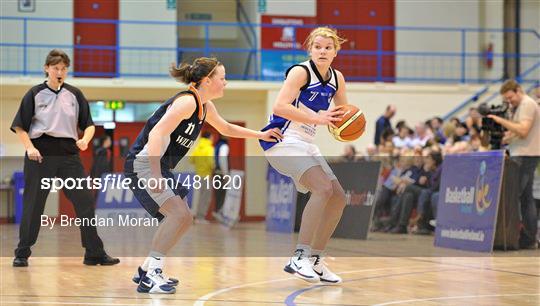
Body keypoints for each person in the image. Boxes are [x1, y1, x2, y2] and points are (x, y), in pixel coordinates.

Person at [125, 57, 282, 294]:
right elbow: (156, 133)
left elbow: (227, 128)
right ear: (207, 80)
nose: (226, 83)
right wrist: (156, 174)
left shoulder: (204, 106)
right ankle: (151, 276)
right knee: (178, 215)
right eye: (222, 78)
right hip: (145, 163)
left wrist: (261, 135)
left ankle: (147, 269)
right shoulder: (187, 102)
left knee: (185, 218)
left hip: (158, 166)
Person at [10, 49, 119, 267]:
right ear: (46, 69)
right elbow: (20, 126)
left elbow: (88, 125)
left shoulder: (75, 95)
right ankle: (22, 253)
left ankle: (94, 253)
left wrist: (85, 140)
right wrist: (30, 148)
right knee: (34, 205)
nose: (59, 72)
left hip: (69, 154)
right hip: (40, 153)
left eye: (63, 68)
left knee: (85, 202)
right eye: (55, 68)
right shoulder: (34, 93)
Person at [260, 27, 349, 284]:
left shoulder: (337, 78)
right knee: (322, 188)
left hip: (306, 142)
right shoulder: (301, 71)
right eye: (317, 46)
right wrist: (317, 118)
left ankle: (316, 260)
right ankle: (299, 256)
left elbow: (343, 112)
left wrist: (350, 122)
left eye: (328, 47)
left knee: (338, 198)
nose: (322, 51)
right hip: (281, 140)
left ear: (335, 52)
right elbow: (280, 106)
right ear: (310, 49)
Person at [488, 79, 540, 249]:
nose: (510, 101)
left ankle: (511, 236)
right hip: (523, 153)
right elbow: (519, 131)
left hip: (525, 155)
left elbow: (523, 130)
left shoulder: (527, 104)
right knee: (526, 199)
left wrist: (500, 120)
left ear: (518, 90)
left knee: (513, 196)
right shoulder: (520, 106)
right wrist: (506, 137)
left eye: (511, 97)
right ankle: (529, 237)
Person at [189, 131, 215, 223]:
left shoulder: (197, 148)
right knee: (205, 197)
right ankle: (200, 217)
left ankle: (195, 216)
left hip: (197, 175)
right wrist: (214, 168)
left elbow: (191, 160)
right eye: (212, 137)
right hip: (206, 176)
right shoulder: (209, 148)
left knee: (197, 197)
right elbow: (211, 162)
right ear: (209, 137)